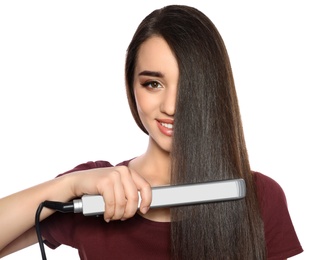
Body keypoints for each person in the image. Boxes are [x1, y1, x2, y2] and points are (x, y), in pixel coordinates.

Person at [0, 4, 303, 260]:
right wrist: (66, 186)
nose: (171, 106)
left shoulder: (259, 198)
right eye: (152, 84)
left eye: (188, 87)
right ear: (132, 88)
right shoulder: (94, 191)